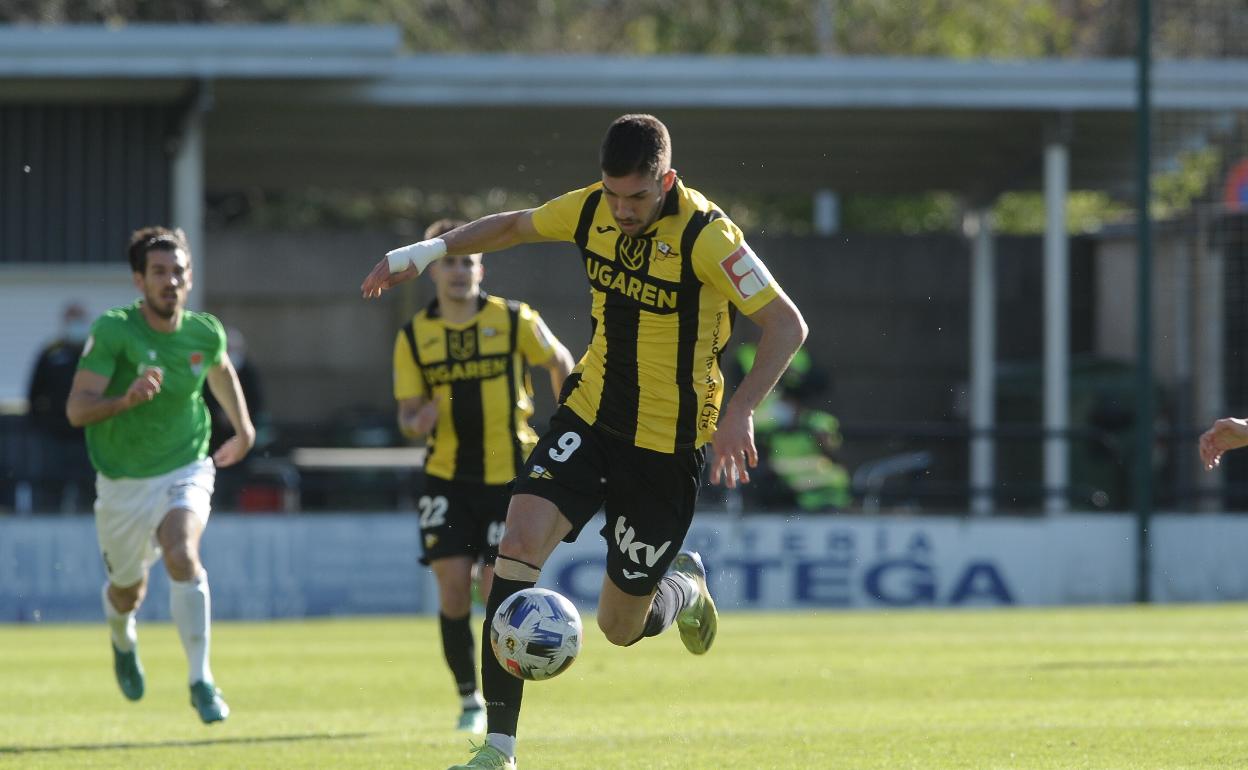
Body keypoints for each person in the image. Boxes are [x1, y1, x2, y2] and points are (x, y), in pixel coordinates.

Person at [363, 114, 808, 770]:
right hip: (590, 419)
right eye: (613, 194)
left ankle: (681, 584)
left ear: (668, 180)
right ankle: (500, 748)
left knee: (619, 628)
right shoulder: (591, 210)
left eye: (638, 197)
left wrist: (740, 411)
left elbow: (785, 324)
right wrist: (422, 254)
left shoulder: (709, 238)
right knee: (511, 551)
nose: (622, 210)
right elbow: (514, 225)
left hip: (666, 447)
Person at [66, 226, 255, 724]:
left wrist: (244, 428)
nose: (171, 281)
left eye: (179, 271)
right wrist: (124, 400)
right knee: (127, 591)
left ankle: (200, 679)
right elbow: (76, 410)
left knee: (181, 551)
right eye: (159, 272)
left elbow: (219, 370)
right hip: (122, 482)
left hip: (185, 463)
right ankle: (122, 639)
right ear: (139, 280)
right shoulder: (114, 331)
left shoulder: (203, 330)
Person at [393, 218, 575, 734]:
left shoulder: (514, 320)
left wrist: (565, 423)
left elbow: (561, 361)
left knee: (496, 591)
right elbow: (407, 415)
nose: (458, 271)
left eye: (467, 261)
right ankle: (468, 698)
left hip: (509, 479)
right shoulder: (415, 337)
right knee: (453, 589)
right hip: (446, 480)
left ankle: (498, 708)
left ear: (481, 267)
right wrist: (417, 419)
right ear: (433, 272)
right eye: (448, 261)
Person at [25, 300, 94, 511]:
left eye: (79, 319)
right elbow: (33, 394)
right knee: (50, 489)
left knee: (88, 489)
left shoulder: (96, 353)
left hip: (87, 437)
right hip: (54, 437)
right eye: (72, 319)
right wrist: (42, 425)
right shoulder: (51, 354)